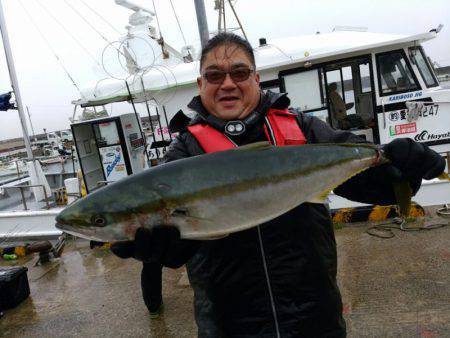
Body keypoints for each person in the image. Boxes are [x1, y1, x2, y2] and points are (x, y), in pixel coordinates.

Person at [111, 33, 445, 337]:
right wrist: (161, 248)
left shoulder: (301, 129)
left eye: (239, 73)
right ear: (201, 84)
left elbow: (368, 186)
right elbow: (172, 226)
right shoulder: (184, 151)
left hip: (315, 319)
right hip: (229, 327)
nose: (227, 83)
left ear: (256, 79)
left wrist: (399, 170)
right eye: (214, 75)